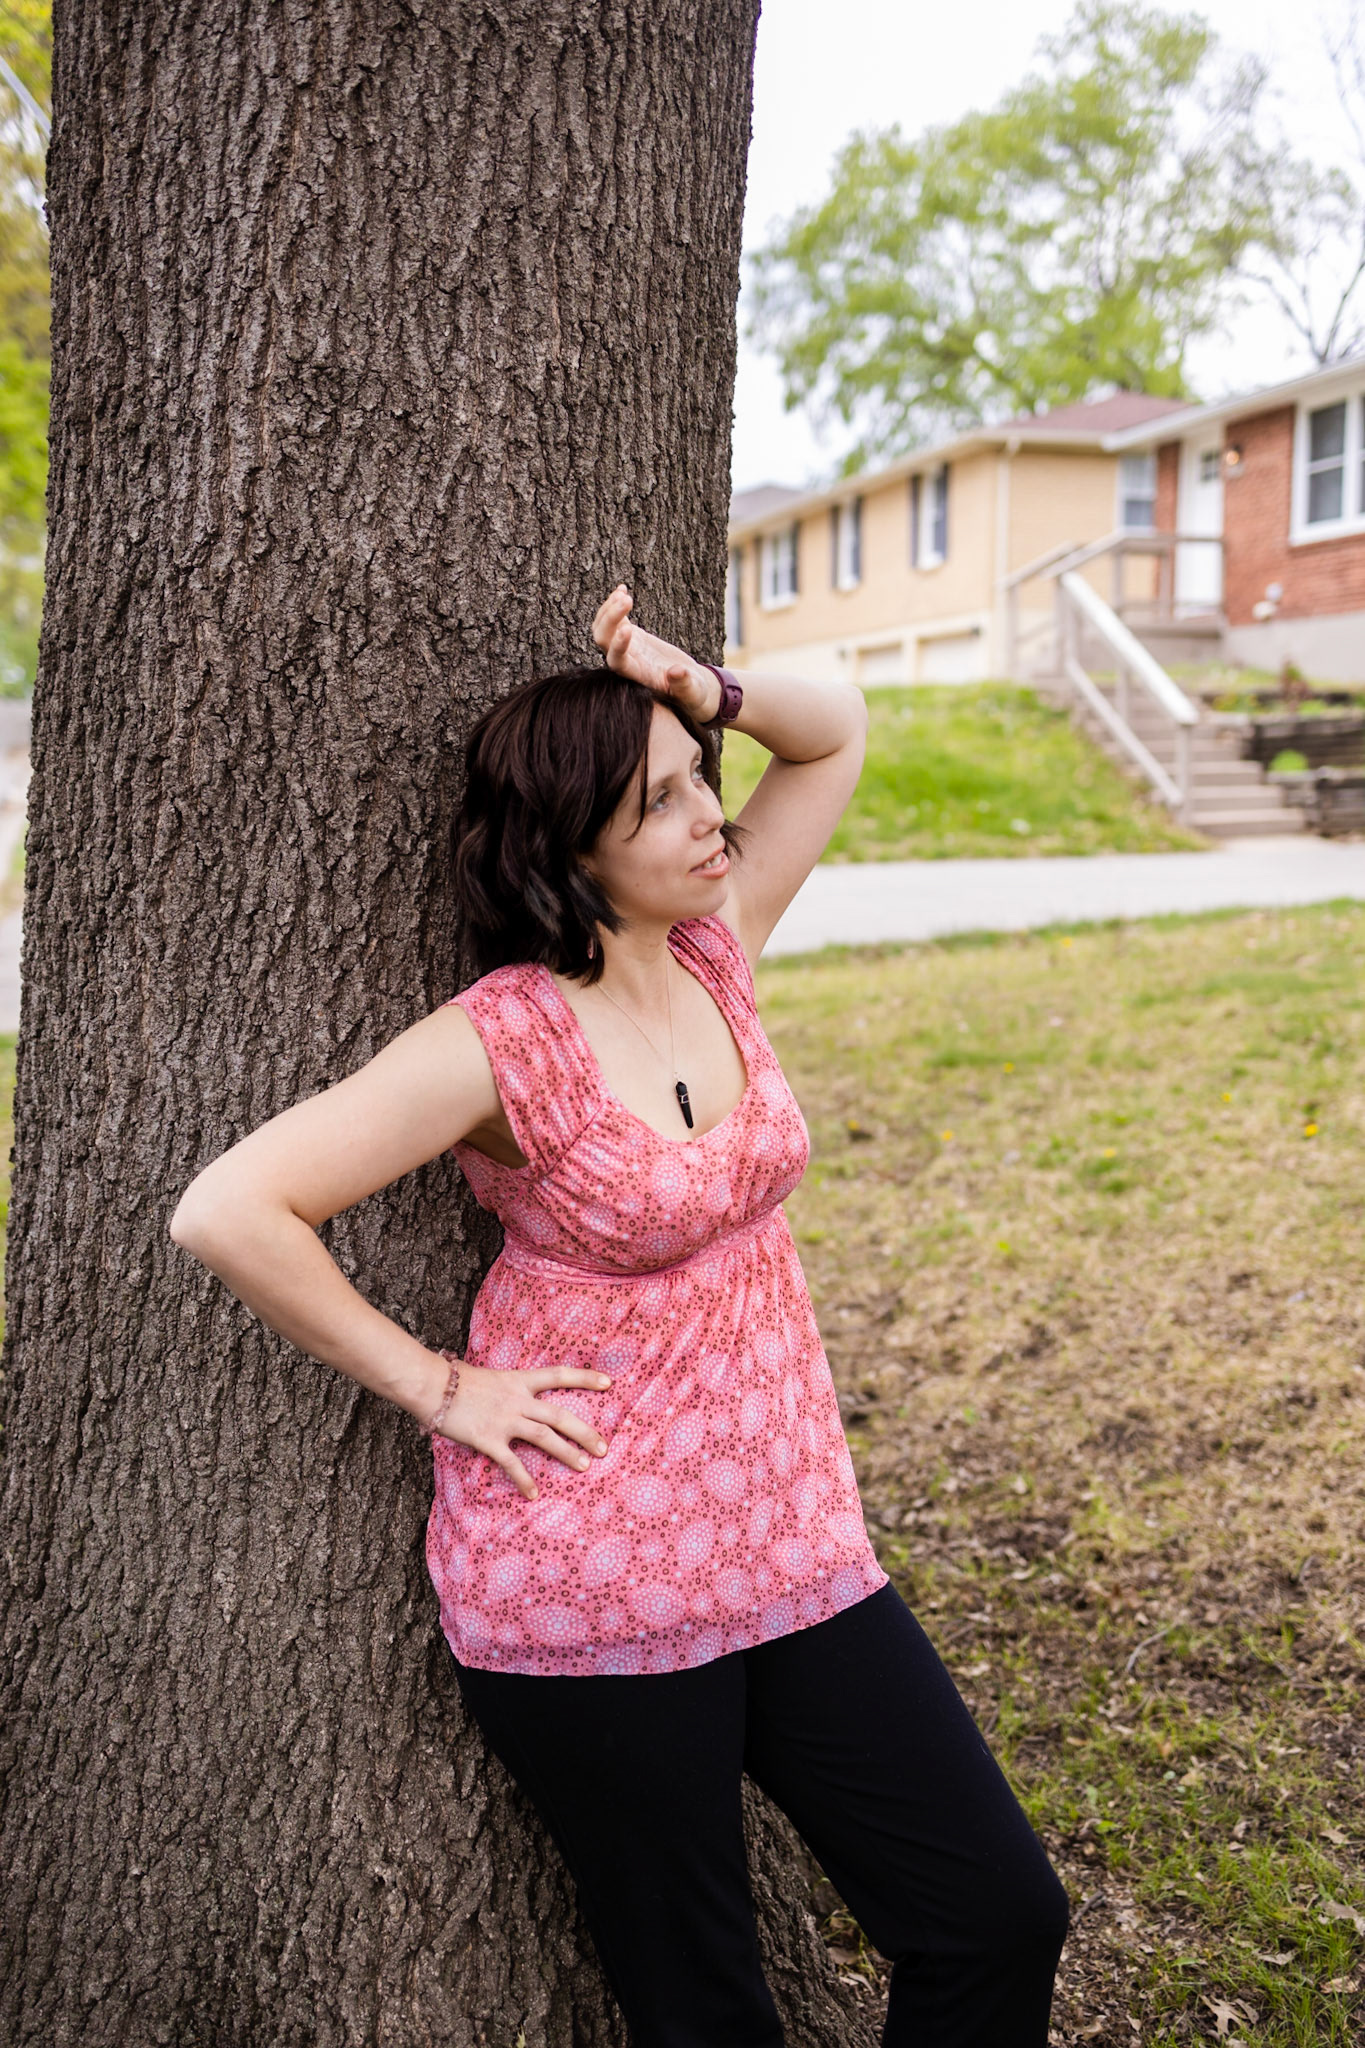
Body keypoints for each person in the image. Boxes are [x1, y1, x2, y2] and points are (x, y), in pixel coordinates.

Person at [169, 585, 1070, 2046]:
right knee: (702, 2007)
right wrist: (442, 1387)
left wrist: (696, 686)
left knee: (996, 1916)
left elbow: (834, 735)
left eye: (699, 778)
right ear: (570, 852)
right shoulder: (502, 1040)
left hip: (791, 1541)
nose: (710, 815)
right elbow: (229, 1208)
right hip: (591, 1575)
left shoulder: (718, 947)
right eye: (660, 802)